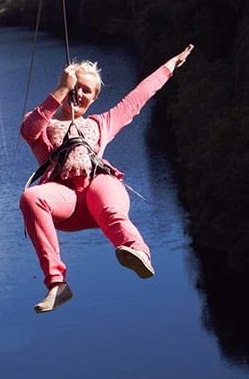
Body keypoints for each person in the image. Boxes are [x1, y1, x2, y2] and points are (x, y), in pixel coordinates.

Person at [19, 44, 195, 313]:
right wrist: (60, 91)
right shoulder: (44, 123)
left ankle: (136, 250)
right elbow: (28, 130)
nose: (79, 93)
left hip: (98, 191)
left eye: (86, 90)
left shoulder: (102, 123)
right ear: (65, 84)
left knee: (104, 194)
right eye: (75, 86)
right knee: (31, 197)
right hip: (67, 203)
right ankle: (57, 284)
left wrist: (169, 67)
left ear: (94, 98)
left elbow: (139, 97)